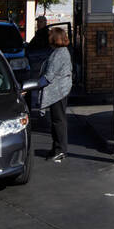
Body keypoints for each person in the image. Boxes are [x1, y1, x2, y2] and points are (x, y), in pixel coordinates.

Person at [38, 26, 73, 162]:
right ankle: (56, 148)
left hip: (58, 91)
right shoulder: (60, 51)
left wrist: (33, 85)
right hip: (59, 91)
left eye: (50, 36)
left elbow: (49, 76)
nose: (48, 38)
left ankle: (60, 150)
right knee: (56, 121)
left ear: (55, 39)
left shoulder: (59, 53)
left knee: (58, 121)